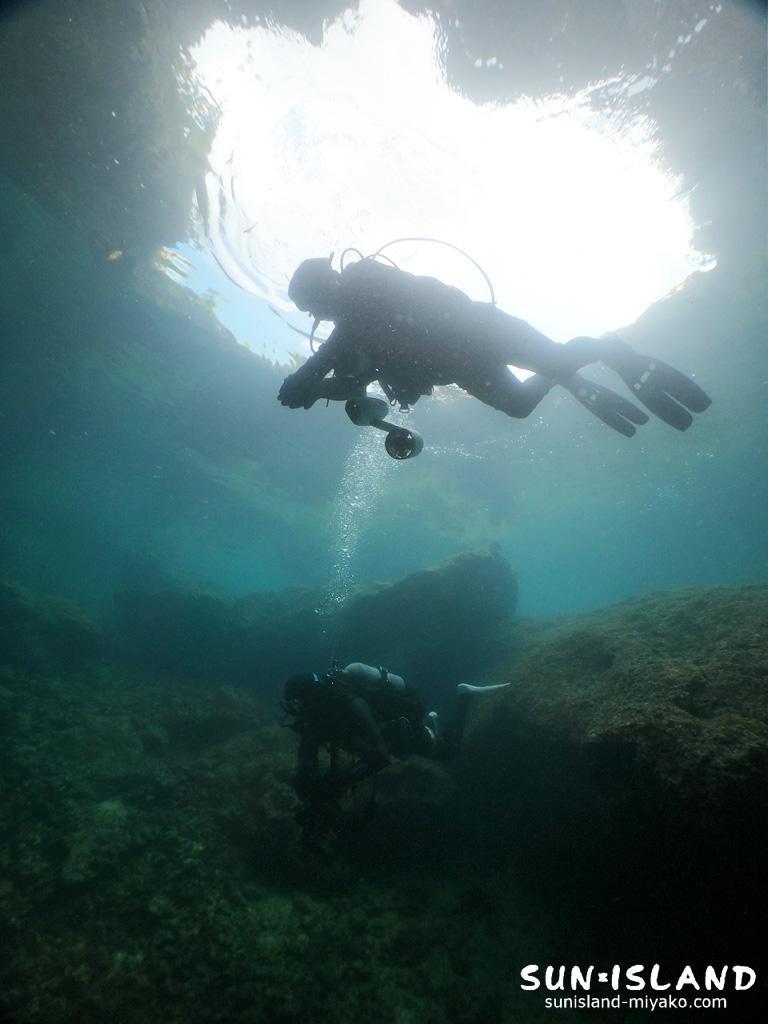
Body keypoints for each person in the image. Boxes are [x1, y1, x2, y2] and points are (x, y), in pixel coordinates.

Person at [278, 255, 711, 437]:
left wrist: (306, 376)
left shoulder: (363, 278)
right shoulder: (348, 339)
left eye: (316, 301)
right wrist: (316, 389)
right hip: (463, 368)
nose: (322, 312)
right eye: (314, 309)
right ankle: (562, 377)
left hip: (480, 329)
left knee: (559, 357)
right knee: (520, 406)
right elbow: (349, 381)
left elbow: (349, 330)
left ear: (328, 283)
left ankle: (605, 349)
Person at [281, 661, 508, 851]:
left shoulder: (351, 704)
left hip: (400, 734)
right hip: (379, 739)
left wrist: (343, 779)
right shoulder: (315, 719)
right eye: (292, 707)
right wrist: (309, 790)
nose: (296, 713)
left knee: (449, 751)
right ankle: (432, 722)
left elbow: (381, 756)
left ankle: (464, 696)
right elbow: (307, 762)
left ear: (311, 699)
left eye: (297, 705)